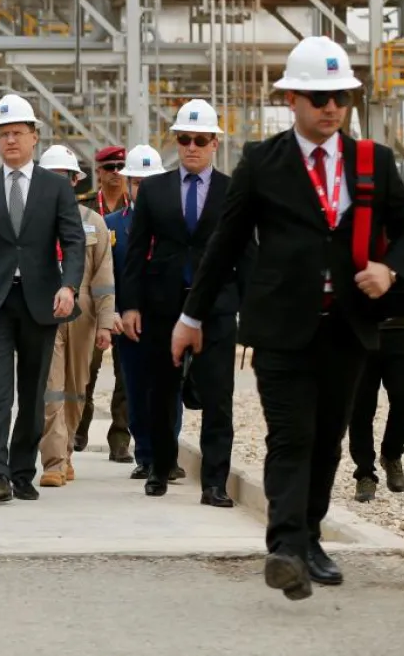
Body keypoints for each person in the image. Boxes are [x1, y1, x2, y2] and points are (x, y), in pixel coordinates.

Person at [177, 37, 404, 600]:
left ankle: (310, 536)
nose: (330, 107)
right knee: (291, 435)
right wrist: (190, 316)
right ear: (291, 98)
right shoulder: (262, 162)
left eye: (339, 96)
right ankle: (285, 547)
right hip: (282, 328)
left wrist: (389, 267)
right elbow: (224, 244)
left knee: (329, 437)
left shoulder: (372, 162)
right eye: (317, 97)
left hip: (350, 328)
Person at [0, 94, 85, 503]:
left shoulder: (55, 188)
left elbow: (74, 241)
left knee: (32, 394)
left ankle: (22, 470)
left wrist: (68, 285)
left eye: (18, 133)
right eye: (3, 133)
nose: (10, 140)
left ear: (34, 137)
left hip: (40, 302)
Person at [119, 99, 243, 507]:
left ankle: (214, 483)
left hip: (216, 308)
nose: (191, 147)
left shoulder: (232, 192)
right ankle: (159, 468)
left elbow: (247, 253)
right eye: (184, 139)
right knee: (160, 391)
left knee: (218, 396)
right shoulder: (154, 190)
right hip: (162, 306)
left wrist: (247, 307)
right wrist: (131, 305)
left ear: (214, 144)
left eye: (200, 140)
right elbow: (136, 252)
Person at [35, 145, 115, 488]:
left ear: (73, 182)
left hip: (82, 314)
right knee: (50, 389)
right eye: (52, 178)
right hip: (44, 312)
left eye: (64, 178)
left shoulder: (92, 222)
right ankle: (52, 462)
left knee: (75, 389)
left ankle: (65, 453)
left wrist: (106, 323)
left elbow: (103, 277)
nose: (59, 184)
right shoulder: (31, 221)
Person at [106, 144, 184, 481]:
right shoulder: (112, 227)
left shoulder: (178, 223)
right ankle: (146, 455)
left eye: (148, 181)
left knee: (171, 390)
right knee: (136, 390)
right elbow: (107, 275)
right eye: (137, 182)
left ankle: (168, 455)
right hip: (130, 322)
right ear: (127, 184)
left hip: (169, 318)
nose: (143, 188)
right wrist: (117, 313)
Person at [351, 250, 404, 501]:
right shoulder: (355, 235)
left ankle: (391, 453)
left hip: (398, 331)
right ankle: (365, 474)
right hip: (360, 333)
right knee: (361, 406)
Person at [78, 144, 131, 460]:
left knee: (126, 376)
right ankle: (79, 429)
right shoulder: (84, 208)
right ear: (98, 171)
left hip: (125, 302)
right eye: (109, 167)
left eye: (120, 167)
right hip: (94, 303)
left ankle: (120, 439)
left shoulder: (136, 206)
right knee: (86, 369)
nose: (116, 173)